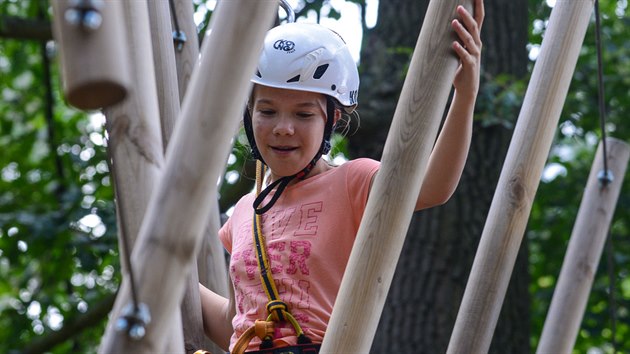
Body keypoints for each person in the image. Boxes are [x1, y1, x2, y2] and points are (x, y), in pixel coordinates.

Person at [200, 1, 484, 352]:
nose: (283, 129)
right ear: (249, 114)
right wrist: (165, 272)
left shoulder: (352, 181)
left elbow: (432, 187)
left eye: (304, 115)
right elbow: (234, 321)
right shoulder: (244, 212)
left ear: (331, 121)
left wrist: (465, 96)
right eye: (268, 111)